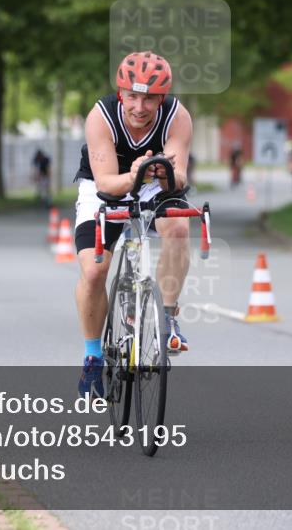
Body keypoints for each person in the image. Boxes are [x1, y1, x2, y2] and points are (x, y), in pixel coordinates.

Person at [73, 51, 193, 397]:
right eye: (132, 97)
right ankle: (93, 356)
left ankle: (167, 317)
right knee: (94, 271)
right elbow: (107, 183)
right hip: (105, 183)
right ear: (121, 93)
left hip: (153, 182)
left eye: (150, 99)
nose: (140, 107)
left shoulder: (177, 116)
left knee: (178, 227)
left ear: (162, 98)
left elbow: (180, 178)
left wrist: (163, 173)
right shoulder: (101, 116)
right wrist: (135, 172)